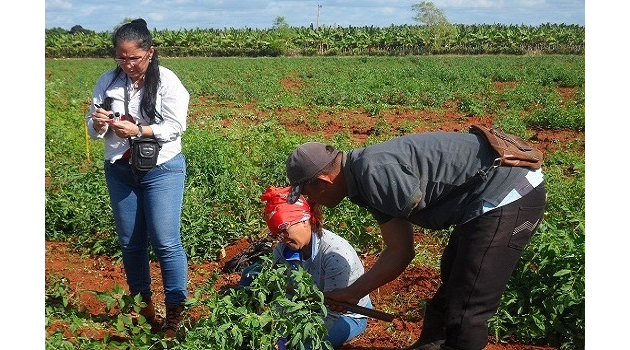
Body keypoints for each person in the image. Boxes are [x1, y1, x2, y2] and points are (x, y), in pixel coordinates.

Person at [284, 131, 547, 350]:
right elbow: (400, 251)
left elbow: (406, 231)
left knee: (469, 306)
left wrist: (351, 292)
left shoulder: (372, 172)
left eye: (306, 192)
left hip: (508, 194)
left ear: (322, 181)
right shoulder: (362, 179)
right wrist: (352, 293)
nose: (311, 201)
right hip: (482, 202)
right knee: (453, 279)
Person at [85, 18, 190, 338]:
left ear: (150, 52)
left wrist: (140, 130)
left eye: (134, 57)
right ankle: (143, 309)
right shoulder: (107, 82)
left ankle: (174, 312)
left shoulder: (168, 81)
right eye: (121, 57)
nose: (128, 64)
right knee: (131, 243)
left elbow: (176, 126)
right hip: (120, 170)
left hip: (162, 168)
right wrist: (100, 123)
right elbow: (92, 129)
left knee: (165, 240)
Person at [239, 186, 373, 349]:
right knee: (250, 275)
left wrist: (293, 338)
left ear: (304, 221)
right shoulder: (284, 249)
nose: (281, 239)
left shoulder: (335, 255)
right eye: (276, 234)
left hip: (344, 314)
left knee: (306, 346)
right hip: (307, 302)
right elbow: (281, 294)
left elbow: (330, 314)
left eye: (284, 231)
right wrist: (277, 331)